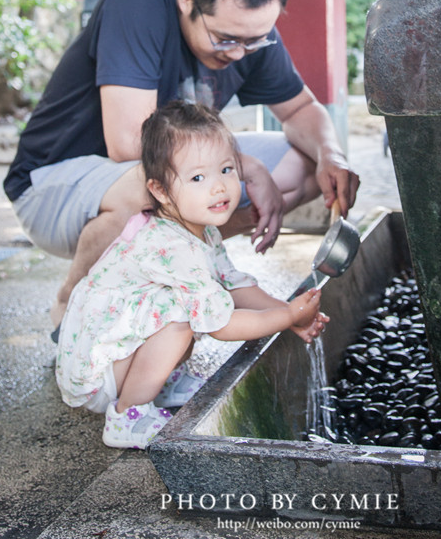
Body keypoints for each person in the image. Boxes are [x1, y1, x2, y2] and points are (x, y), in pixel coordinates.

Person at [4, 0, 359, 345]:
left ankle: (180, 264)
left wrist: (333, 155)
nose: (238, 53)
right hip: (54, 187)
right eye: (225, 38)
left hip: (148, 176)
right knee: (153, 186)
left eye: (255, 39)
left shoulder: (244, 33)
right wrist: (244, 167)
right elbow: (128, 144)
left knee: (306, 164)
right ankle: (73, 303)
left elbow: (300, 110)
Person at [55, 101, 328, 450]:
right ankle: (127, 415)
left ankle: (163, 382)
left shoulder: (200, 230)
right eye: (198, 177)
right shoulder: (171, 245)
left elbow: (234, 284)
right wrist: (286, 315)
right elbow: (222, 323)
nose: (219, 187)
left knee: (192, 298)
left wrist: (289, 315)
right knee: (182, 311)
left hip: (113, 353)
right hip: (96, 373)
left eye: (227, 170)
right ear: (161, 191)